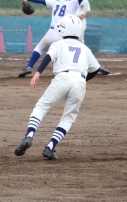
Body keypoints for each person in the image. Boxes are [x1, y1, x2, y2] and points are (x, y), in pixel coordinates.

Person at [14, 14, 101, 161]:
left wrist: (38, 73)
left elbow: (48, 57)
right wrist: (83, 80)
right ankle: (50, 147)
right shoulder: (85, 48)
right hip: (80, 82)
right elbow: (96, 69)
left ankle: (29, 136)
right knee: (68, 117)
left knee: (41, 107)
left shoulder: (59, 44)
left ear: (63, 29)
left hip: (63, 78)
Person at [18, 0, 92, 78]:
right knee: (71, 52)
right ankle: (87, 67)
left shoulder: (54, 3)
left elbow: (40, 0)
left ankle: (29, 67)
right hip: (63, 35)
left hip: (51, 33)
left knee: (39, 48)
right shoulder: (72, 3)